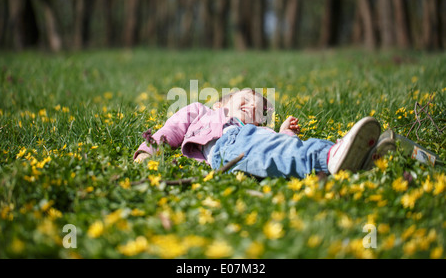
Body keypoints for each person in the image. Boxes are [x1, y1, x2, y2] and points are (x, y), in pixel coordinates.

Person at [134, 88, 382, 179]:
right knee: (269, 151)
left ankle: (353, 155)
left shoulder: (259, 131)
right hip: (226, 145)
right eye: (246, 98)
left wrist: (285, 133)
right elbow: (170, 130)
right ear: (221, 104)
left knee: (278, 152)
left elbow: (280, 148)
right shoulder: (203, 113)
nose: (253, 106)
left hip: (249, 146)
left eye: (259, 110)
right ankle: (328, 156)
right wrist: (147, 152)